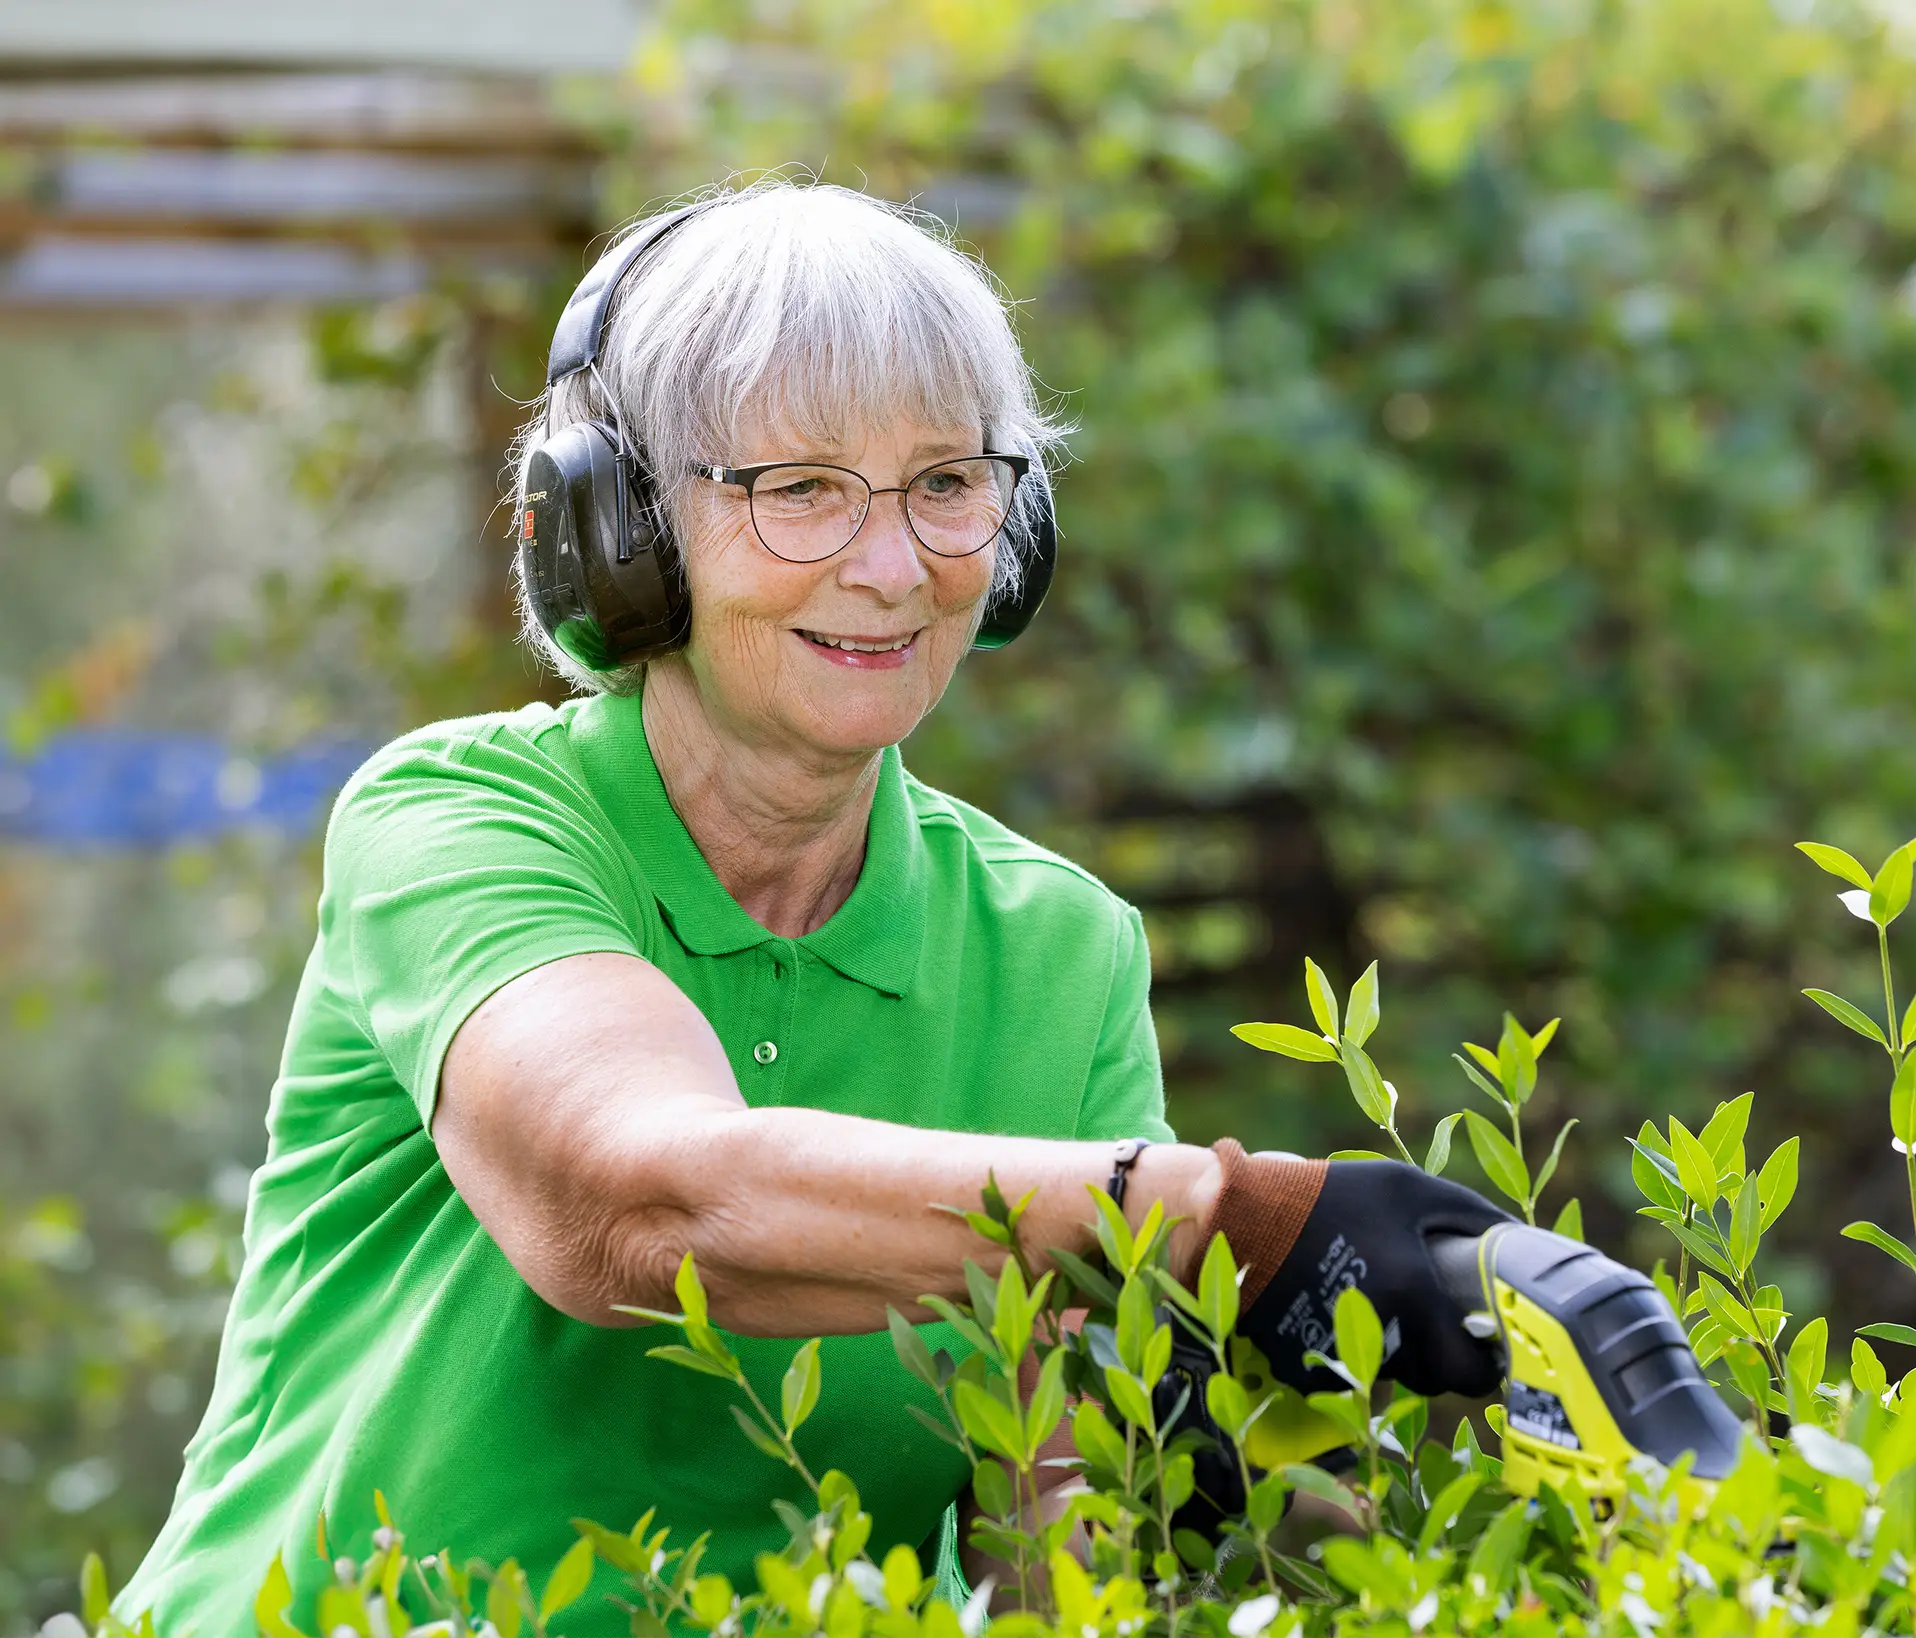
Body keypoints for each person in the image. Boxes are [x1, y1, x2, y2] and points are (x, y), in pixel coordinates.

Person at [116, 180, 1505, 1635]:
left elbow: (1050, 1520)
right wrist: (1218, 1214)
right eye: (801, 489)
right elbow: (635, 1204)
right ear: (622, 528)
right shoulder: (460, 819)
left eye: (947, 483)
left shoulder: (1058, 950)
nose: (894, 564)